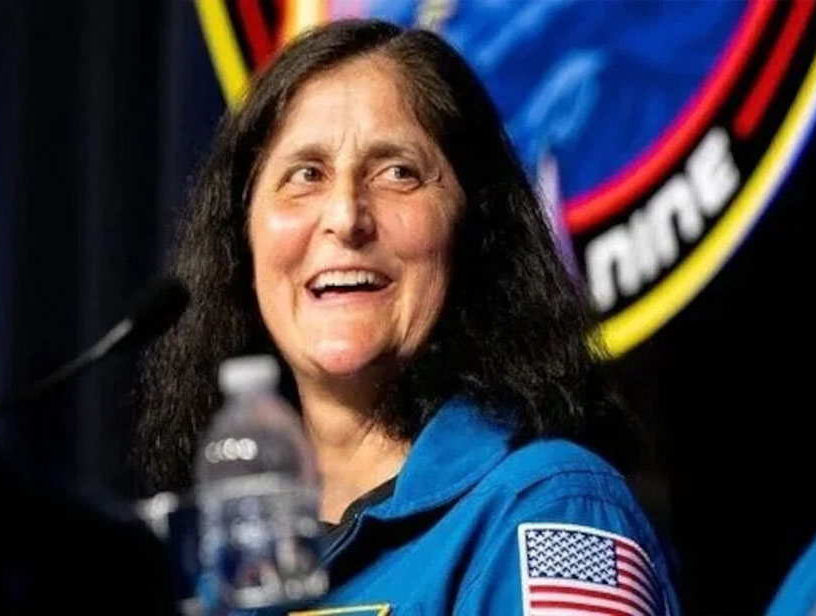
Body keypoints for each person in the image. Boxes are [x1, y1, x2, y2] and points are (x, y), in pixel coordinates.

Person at [135, 19, 679, 615]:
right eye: (305, 175)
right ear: (242, 242)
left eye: (397, 172)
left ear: (475, 229)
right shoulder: (209, 571)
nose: (346, 217)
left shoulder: (554, 513)